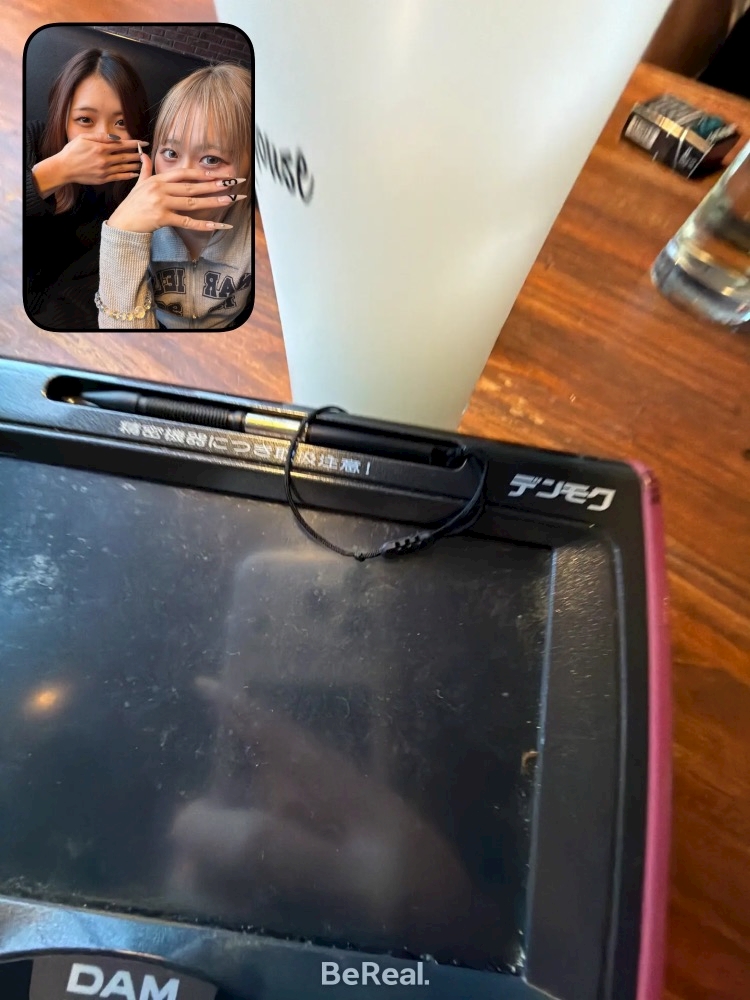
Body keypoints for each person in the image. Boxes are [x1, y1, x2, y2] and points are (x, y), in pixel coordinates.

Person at [96, 64, 253, 330]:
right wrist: (123, 240)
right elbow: (126, 343)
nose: (181, 178)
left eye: (211, 159)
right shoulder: (137, 230)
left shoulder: (263, 235)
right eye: (170, 153)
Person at [25, 48, 149, 331]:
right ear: (62, 118)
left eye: (121, 122)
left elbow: (94, 302)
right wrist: (53, 173)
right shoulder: (30, 142)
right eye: (85, 120)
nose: (102, 138)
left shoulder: (134, 193)